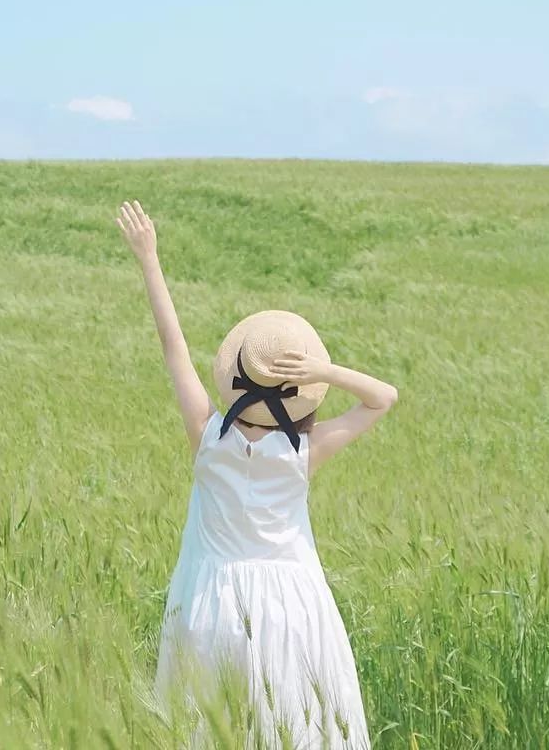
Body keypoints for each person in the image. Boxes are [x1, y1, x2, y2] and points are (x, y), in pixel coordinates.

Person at [116, 199, 398, 749]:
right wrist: (326, 372)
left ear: (233, 377)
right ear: (303, 398)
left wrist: (149, 258)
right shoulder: (303, 453)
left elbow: (173, 347)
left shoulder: (206, 436)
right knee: (297, 728)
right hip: (295, 608)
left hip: (211, 602)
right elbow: (383, 399)